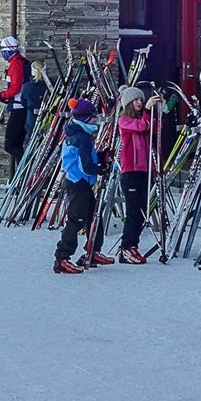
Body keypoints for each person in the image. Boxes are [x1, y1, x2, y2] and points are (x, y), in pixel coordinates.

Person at [53, 98, 112, 274]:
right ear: (85, 118)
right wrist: (99, 169)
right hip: (79, 183)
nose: (96, 119)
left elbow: (87, 158)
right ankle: (62, 257)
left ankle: (93, 250)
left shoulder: (80, 134)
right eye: (93, 116)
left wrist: (101, 157)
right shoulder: (81, 137)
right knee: (76, 219)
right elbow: (85, 165)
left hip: (82, 182)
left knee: (93, 216)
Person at [115, 85, 165, 265]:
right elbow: (142, 125)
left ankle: (132, 245)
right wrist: (147, 110)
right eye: (136, 100)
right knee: (133, 212)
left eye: (141, 100)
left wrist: (157, 110)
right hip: (131, 172)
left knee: (142, 210)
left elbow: (154, 128)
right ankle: (126, 247)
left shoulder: (143, 118)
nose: (139, 102)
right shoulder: (124, 121)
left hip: (145, 171)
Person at [0, 36, 29, 177]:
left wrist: (2, 95)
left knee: (11, 145)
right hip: (20, 105)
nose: (2, 53)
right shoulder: (22, 62)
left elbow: (15, 88)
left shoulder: (15, 64)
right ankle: (20, 176)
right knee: (17, 144)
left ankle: (25, 169)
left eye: (3, 50)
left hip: (19, 108)